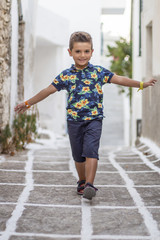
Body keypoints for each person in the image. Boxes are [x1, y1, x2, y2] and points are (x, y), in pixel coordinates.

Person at [15, 31, 157, 200]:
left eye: (86, 51)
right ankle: (82, 181)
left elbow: (120, 79)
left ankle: (90, 184)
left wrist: (141, 84)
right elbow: (47, 91)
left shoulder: (98, 72)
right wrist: (27, 103)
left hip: (94, 120)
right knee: (78, 155)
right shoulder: (66, 75)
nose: (82, 55)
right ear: (70, 52)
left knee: (91, 151)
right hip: (74, 121)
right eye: (78, 52)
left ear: (92, 51)